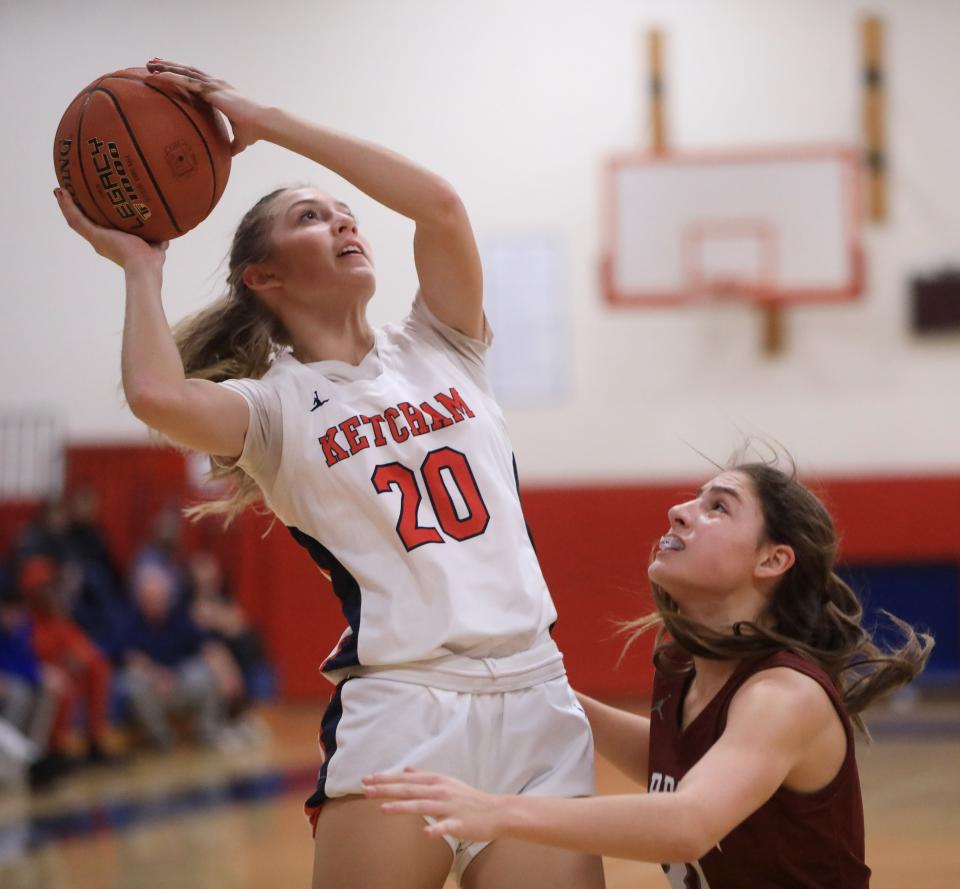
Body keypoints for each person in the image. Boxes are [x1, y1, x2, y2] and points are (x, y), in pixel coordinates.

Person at [54, 58, 604, 889]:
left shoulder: (443, 345)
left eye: (347, 213)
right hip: (406, 704)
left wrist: (268, 120)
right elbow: (157, 394)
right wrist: (141, 268)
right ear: (263, 277)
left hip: (538, 695)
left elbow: (439, 205)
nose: (347, 222)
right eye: (313, 217)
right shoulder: (272, 409)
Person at [365, 462, 933, 888]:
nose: (680, 511)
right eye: (695, 498)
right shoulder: (685, 667)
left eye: (718, 507)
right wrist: (538, 689)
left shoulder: (783, 695)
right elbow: (672, 763)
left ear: (772, 561)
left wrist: (498, 811)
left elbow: (687, 821)